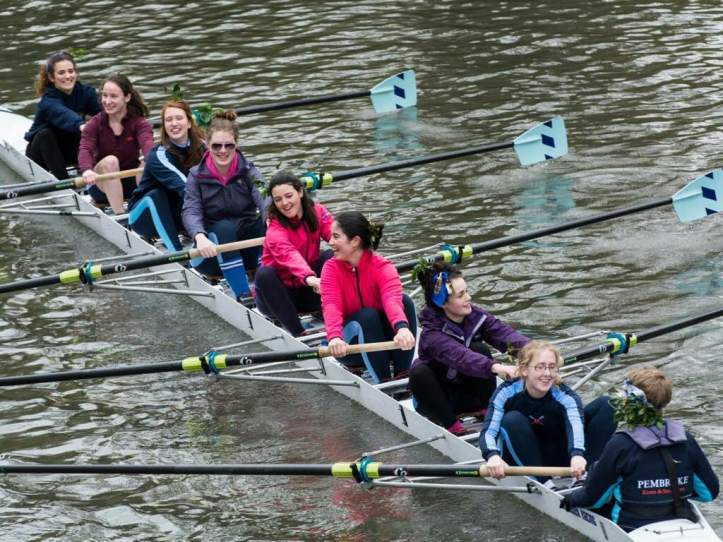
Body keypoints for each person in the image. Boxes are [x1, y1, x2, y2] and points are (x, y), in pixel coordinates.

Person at [561, 367, 719, 531]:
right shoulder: (687, 440)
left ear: (631, 402)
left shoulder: (620, 444)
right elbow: (709, 493)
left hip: (631, 527)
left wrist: (570, 500)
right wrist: (670, 491)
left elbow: (594, 499)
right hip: (682, 524)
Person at [409, 262, 530, 435]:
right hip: (437, 401)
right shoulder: (431, 334)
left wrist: (533, 352)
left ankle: (485, 408)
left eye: (467, 291)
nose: (469, 298)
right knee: (419, 372)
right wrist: (498, 368)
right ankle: (451, 425)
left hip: (467, 396)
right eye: (461, 295)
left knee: (479, 348)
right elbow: (461, 357)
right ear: (443, 303)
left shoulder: (475, 316)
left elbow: (503, 335)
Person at [481, 340, 615, 482]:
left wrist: (577, 454)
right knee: (511, 419)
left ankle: (585, 474)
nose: (547, 373)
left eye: (552, 367)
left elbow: (576, 426)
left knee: (608, 404)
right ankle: (543, 482)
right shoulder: (506, 392)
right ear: (524, 370)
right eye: (540, 367)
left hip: (560, 455)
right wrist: (492, 455)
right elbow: (489, 431)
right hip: (522, 457)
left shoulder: (565, 395)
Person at [320, 211, 416, 383]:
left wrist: (402, 328)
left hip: (383, 343)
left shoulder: (383, 266)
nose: (330, 242)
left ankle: (403, 374)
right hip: (349, 347)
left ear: (355, 241)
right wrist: (334, 337)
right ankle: (385, 382)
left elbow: (391, 300)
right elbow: (331, 306)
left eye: (336, 236)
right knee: (368, 316)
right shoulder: (330, 269)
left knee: (405, 301)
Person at [182, 110, 266, 299]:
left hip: (247, 247)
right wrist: (200, 236)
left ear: (237, 144)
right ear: (207, 145)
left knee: (265, 223)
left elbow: (264, 196)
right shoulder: (196, 175)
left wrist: (272, 220)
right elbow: (190, 210)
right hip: (211, 253)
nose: (223, 151)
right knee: (225, 228)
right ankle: (243, 294)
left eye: (229, 145)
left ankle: (266, 287)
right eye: (216, 146)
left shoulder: (248, 170)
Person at [255, 171, 334, 336]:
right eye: (278, 200)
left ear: (300, 192)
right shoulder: (275, 230)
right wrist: (310, 278)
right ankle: (299, 333)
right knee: (264, 273)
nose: (284, 203)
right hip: (278, 298)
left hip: (308, 291)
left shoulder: (317, 211)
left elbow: (337, 236)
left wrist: (361, 252)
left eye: (289, 196)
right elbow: (289, 256)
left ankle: (336, 313)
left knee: (331, 256)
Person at [127, 100, 205, 250]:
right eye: (169, 120)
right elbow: (185, 187)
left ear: (189, 123)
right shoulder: (159, 155)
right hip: (144, 217)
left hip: (177, 212)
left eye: (179, 118)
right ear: (164, 126)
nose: (174, 123)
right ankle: (175, 252)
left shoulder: (204, 147)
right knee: (157, 195)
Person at [78, 73, 153, 215]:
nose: (107, 101)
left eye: (113, 96)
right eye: (104, 96)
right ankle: (121, 216)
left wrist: (152, 160)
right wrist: (87, 170)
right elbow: (85, 148)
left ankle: (146, 213)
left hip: (131, 184)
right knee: (111, 161)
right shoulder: (95, 123)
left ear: (127, 97)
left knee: (149, 163)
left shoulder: (140, 124)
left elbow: (148, 144)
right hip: (101, 185)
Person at [24, 50, 101, 180]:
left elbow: (104, 112)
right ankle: (64, 182)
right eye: (61, 73)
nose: (67, 76)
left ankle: (93, 171)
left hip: (68, 151)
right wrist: (81, 125)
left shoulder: (86, 93)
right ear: (52, 78)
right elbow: (62, 113)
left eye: (71, 71)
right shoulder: (48, 100)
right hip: (41, 155)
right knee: (45, 134)